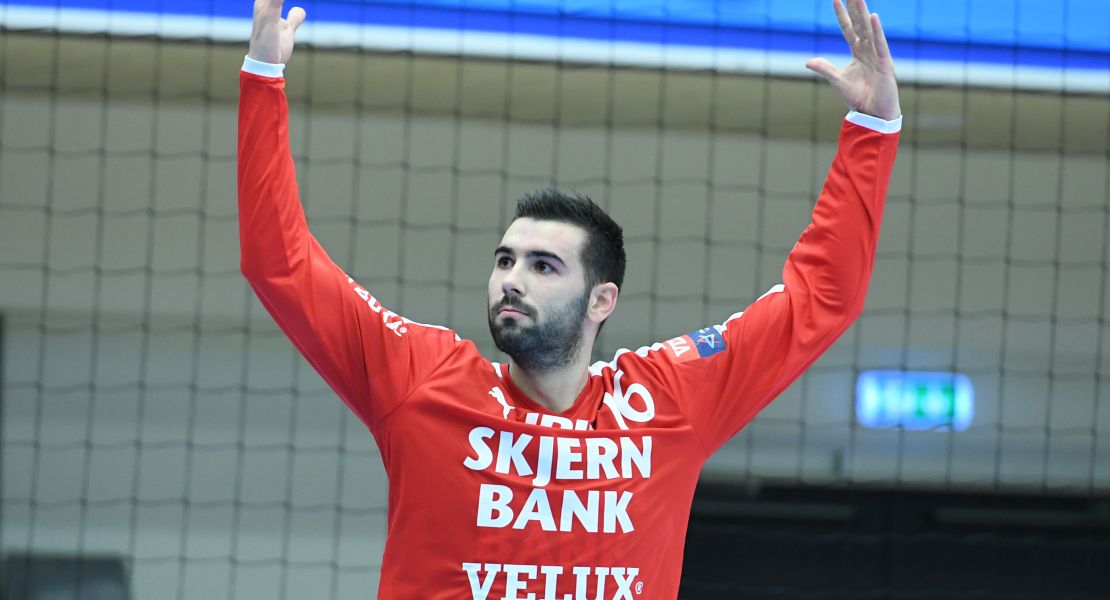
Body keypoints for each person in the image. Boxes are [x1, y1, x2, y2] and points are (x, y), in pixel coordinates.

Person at [237, 0, 901, 596]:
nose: (511, 279)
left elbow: (821, 299)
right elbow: (280, 266)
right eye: (505, 260)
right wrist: (263, 75)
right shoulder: (422, 381)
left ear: (600, 300)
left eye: (543, 266)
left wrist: (872, 127)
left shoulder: (668, 401)